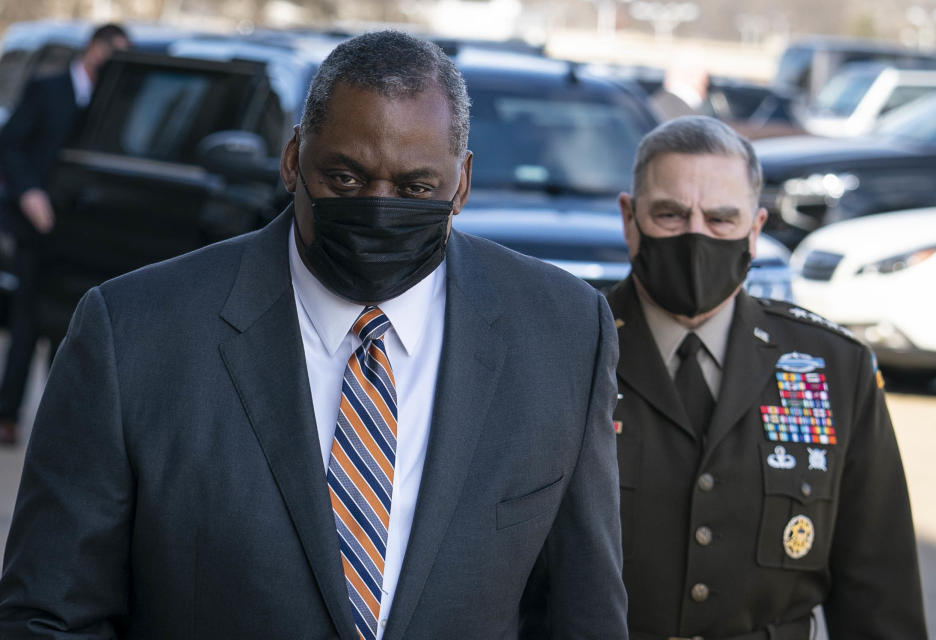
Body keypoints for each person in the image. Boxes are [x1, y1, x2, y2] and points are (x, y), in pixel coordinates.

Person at [0, 31, 627, 639]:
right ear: (293, 157)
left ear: (460, 183)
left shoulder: (564, 333)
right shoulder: (133, 331)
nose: (379, 207)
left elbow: (583, 612)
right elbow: (51, 614)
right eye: (346, 180)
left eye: (415, 189)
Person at [609, 116, 926, 639]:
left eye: (720, 219)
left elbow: (879, 592)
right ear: (630, 218)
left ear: (755, 232)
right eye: (670, 215)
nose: (696, 236)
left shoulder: (833, 368)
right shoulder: (571, 351)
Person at [0, 23, 130, 446]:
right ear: (93, 48)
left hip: (79, 232)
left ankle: (53, 423)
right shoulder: (49, 87)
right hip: (36, 222)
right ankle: (8, 415)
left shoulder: (113, 99)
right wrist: (29, 193)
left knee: (69, 326)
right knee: (26, 322)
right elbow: (12, 144)